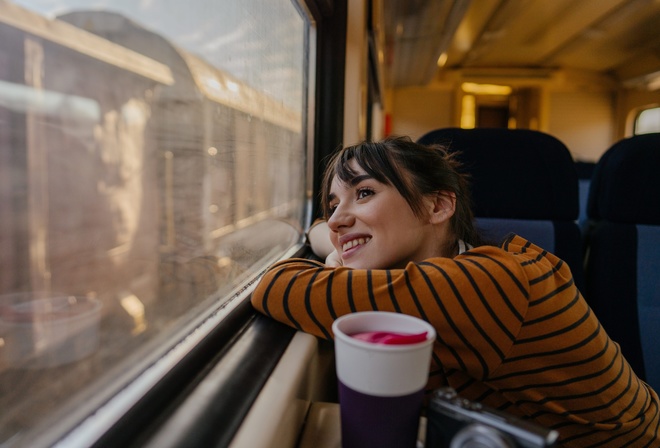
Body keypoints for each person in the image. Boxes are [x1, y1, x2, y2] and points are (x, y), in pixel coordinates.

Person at [251, 136, 659, 447]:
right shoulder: (425, 279)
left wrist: (337, 261)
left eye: (364, 193)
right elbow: (322, 230)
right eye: (333, 203)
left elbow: (275, 285)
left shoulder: (490, 283)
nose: (338, 218)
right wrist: (336, 249)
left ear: (438, 207)